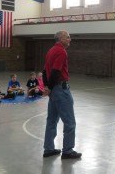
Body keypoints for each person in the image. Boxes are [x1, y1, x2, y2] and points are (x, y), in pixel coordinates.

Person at [42, 31, 82, 159]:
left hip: (54, 91)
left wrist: (47, 87)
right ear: (60, 39)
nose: (70, 39)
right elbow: (55, 72)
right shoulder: (61, 51)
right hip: (60, 90)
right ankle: (68, 151)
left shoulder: (51, 51)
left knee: (51, 121)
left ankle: (48, 149)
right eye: (68, 37)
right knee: (70, 122)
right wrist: (50, 88)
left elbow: (44, 71)